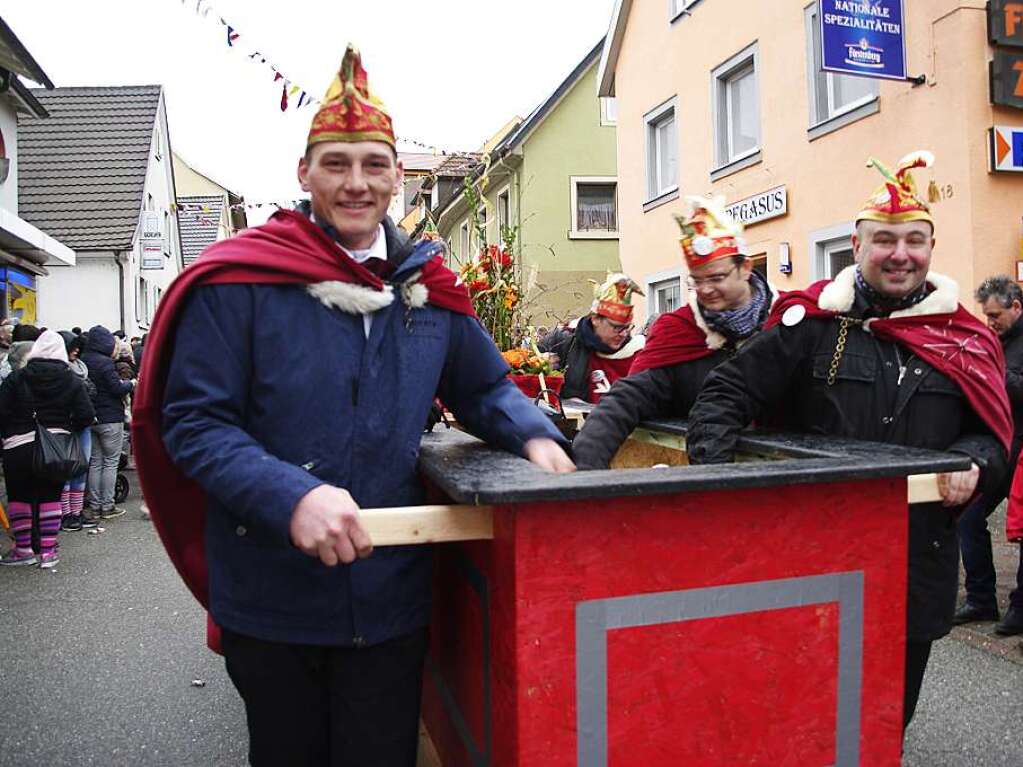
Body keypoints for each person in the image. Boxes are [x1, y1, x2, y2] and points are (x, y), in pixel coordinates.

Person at [134, 45, 573, 767]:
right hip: (270, 598)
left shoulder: (426, 282)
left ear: (398, 176)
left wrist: (534, 437)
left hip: (389, 598)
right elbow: (195, 423)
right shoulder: (239, 281)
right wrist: (291, 495)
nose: (356, 183)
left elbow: (483, 385)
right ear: (303, 174)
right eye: (335, 163)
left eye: (373, 164)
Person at [685, 151, 1011, 729]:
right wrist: (722, 486)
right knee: (802, 716)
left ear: (930, 249)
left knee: (889, 723)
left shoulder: (962, 337)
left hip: (917, 560)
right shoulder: (810, 325)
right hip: (813, 557)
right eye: (885, 240)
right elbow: (724, 397)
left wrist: (976, 463)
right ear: (856, 247)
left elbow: (994, 436)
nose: (900, 254)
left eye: (915, 240)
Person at [573, 196, 775, 468]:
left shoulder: (787, 324)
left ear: (745, 269)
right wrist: (581, 470)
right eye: (697, 280)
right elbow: (626, 399)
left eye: (716, 278)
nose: (705, 289)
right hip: (705, 474)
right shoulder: (679, 332)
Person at [952, 277, 1023, 634]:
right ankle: (982, 599)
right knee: (969, 515)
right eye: (986, 316)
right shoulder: (995, 339)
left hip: (1021, 448)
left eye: (995, 315)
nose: (990, 321)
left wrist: (994, 370)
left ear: (1016, 307)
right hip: (1002, 445)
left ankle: (1019, 609)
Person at [0, 331, 94, 567]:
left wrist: (9, 433)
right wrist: (66, 428)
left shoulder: (17, 377)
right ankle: (48, 552)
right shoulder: (71, 380)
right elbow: (86, 415)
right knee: (50, 497)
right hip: (57, 448)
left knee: (19, 497)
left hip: (18, 446)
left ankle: (24, 550)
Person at [538, 273, 646, 402]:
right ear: (595, 319)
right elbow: (521, 373)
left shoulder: (638, 353)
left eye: (627, 327)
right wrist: (539, 366)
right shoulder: (564, 341)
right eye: (617, 327)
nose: (624, 334)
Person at [81, 325, 134, 523]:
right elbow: (116, 389)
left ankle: (94, 506)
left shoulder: (84, 361)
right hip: (110, 417)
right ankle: (107, 505)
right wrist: (131, 384)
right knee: (110, 462)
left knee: (95, 462)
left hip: (92, 417)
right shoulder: (105, 363)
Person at [58, 331, 95, 532]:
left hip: (83, 425)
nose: (76, 350)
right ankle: (65, 514)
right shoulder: (61, 372)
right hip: (67, 426)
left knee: (81, 470)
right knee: (66, 471)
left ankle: (76, 512)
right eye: (72, 346)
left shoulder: (81, 368)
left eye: (78, 346)